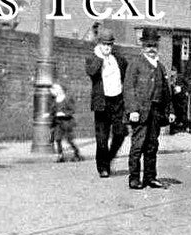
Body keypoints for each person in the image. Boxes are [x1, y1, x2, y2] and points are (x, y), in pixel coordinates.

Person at [123, 28, 175, 190]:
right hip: (140, 112)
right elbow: (129, 88)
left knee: (152, 146)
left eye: (154, 46)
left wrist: (170, 110)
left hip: (156, 112)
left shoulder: (160, 67)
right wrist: (132, 110)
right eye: (148, 46)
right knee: (138, 145)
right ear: (142, 47)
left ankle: (150, 177)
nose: (151, 49)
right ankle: (134, 178)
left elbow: (166, 91)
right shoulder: (135, 64)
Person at [86, 31, 128, 178]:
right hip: (102, 103)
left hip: (117, 101)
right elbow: (91, 71)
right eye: (104, 44)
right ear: (99, 44)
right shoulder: (92, 59)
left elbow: (126, 75)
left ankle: (108, 158)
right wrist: (100, 57)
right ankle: (103, 167)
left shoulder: (118, 59)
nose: (107, 47)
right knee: (102, 139)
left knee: (121, 133)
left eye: (109, 44)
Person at [50, 83, 82, 162]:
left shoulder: (67, 99)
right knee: (58, 139)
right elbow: (52, 111)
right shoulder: (54, 100)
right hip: (58, 123)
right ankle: (60, 155)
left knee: (69, 139)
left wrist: (64, 114)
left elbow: (72, 110)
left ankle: (77, 153)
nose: (51, 92)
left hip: (67, 122)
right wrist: (50, 115)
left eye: (53, 90)